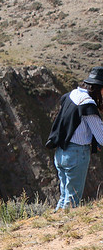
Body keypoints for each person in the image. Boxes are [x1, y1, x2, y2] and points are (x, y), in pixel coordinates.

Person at [46, 66, 103, 209]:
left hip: (61, 153)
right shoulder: (87, 104)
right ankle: (64, 230)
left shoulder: (71, 95)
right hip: (77, 154)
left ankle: (55, 226)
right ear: (98, 88)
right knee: (72, 202)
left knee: (65, 197)